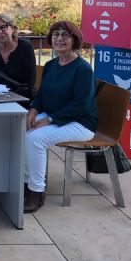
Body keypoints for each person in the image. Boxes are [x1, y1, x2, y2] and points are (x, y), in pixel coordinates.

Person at [24, 21, 97, 213]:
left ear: (75, 40)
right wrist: (33, 110)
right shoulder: (51, 65)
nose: (59, 39)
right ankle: (25, 183)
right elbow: (41, 94)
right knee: (19, 129)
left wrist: (49, 119)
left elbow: (81, 105)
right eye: (56, 34)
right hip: (55, 115)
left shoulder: (83, 69)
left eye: (65, 35)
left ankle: (36, 193)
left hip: (80, 122)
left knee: (35, 139)